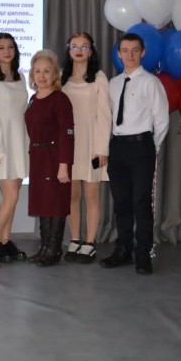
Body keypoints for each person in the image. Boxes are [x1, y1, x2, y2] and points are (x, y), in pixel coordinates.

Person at [100, 32, 169, 275]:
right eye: (125, 51)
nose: (130, 55)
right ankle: (124, 248)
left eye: (135, 50)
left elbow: (161, 120)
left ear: (143, 53)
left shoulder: (151, 82)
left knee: (141, 202)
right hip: (118, 147)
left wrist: (151, 148)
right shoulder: (113, 83)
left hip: (141, 147)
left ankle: (143, 253)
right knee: (121, 202)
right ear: (119, 54)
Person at [60, 32, 111, 264]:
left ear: (91, 50)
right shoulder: (61, 77)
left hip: (91, 144)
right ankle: (75, 239)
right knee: (72, 195)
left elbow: (104, 116)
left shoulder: (99, 78)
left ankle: (90, 243)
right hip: (69, 144)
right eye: (75, 46)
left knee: (91, 195)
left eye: (84, 46)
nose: (79, 50)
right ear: (68, 50)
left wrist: (102, 149)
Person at [0, 33, 30, 263]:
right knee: (10, 197)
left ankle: (5, 240)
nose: (7, 51)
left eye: (10, 47)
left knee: (14, 197)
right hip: (1, 144)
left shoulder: (21, 77)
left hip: (20, 142)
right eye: (1, 47)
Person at [24, 50, 74, 267]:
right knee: (43, 203)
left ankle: (54, 250)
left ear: (55, 74)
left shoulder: (60, 99)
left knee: (55, 203)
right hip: (38, 157)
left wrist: (64, 166)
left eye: (46, 71)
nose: (41, 76)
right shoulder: (33, 99)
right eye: (37, 71)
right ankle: (44, 247)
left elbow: (67, 134)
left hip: (54, 157)